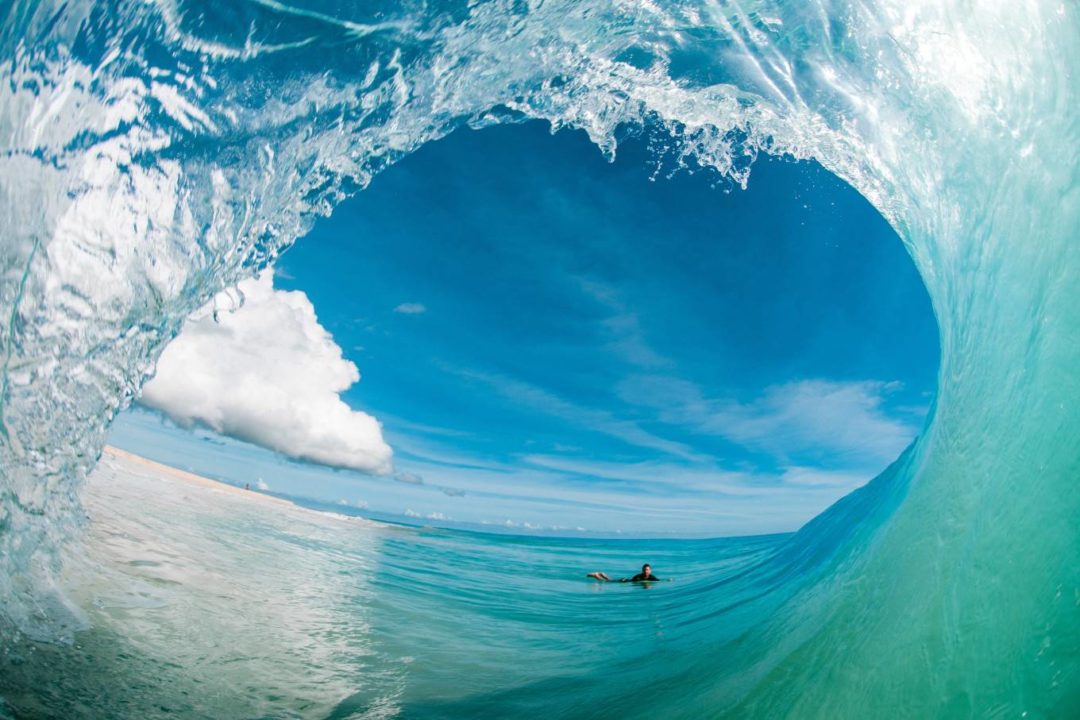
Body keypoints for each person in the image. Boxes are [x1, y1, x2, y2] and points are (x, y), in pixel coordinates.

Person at [587, 563, 662, 583]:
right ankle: (596, 576)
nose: (646, 571)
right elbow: (632, 581)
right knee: (609, 582)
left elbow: (659, 581)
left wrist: (668, 580)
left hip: (626, 580)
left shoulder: (652, 577)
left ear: (650, 570)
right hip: (624, 581)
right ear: (642, 570)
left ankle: (603, 574)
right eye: (645, 570)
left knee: (611, 580)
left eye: (647, 570)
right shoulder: (638, 576)